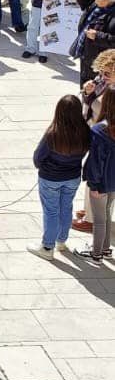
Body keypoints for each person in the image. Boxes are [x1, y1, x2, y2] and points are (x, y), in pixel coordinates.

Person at [30, 95, 90, 259]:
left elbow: (38, 157)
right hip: (73, 176)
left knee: (51, 211)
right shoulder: (85, 131)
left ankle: (47, 247)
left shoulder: (53, 133)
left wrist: (43, 167)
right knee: (66, 208)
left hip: (50, 178)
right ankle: (61, 241)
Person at [81, 89, 115, 261]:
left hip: (101, 182)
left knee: (100, 219)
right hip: (113, 181)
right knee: (107, 213)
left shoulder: (100, 130)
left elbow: (96, 162)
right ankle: (106, 249)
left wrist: (94, 185)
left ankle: (96, 253)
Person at [73, 0, 115, 86]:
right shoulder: (97, 4)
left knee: (95, 87)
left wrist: (97, 36)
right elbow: (87, 5)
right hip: (86, 53)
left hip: (99, 61)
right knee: (85, 85)